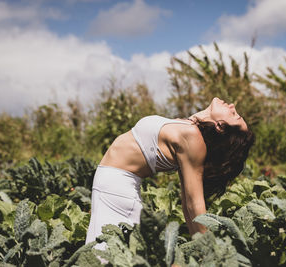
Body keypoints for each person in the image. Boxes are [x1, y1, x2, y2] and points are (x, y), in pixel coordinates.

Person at [85, 97, 255, 250]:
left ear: (220, 126)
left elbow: (193, 203)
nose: (233, 106)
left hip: (117, 191)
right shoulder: (189, 128)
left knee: (106, 255)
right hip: (113, 188)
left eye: (235, 116)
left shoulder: (192, 137)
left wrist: (208, 251)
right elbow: (187, 203)